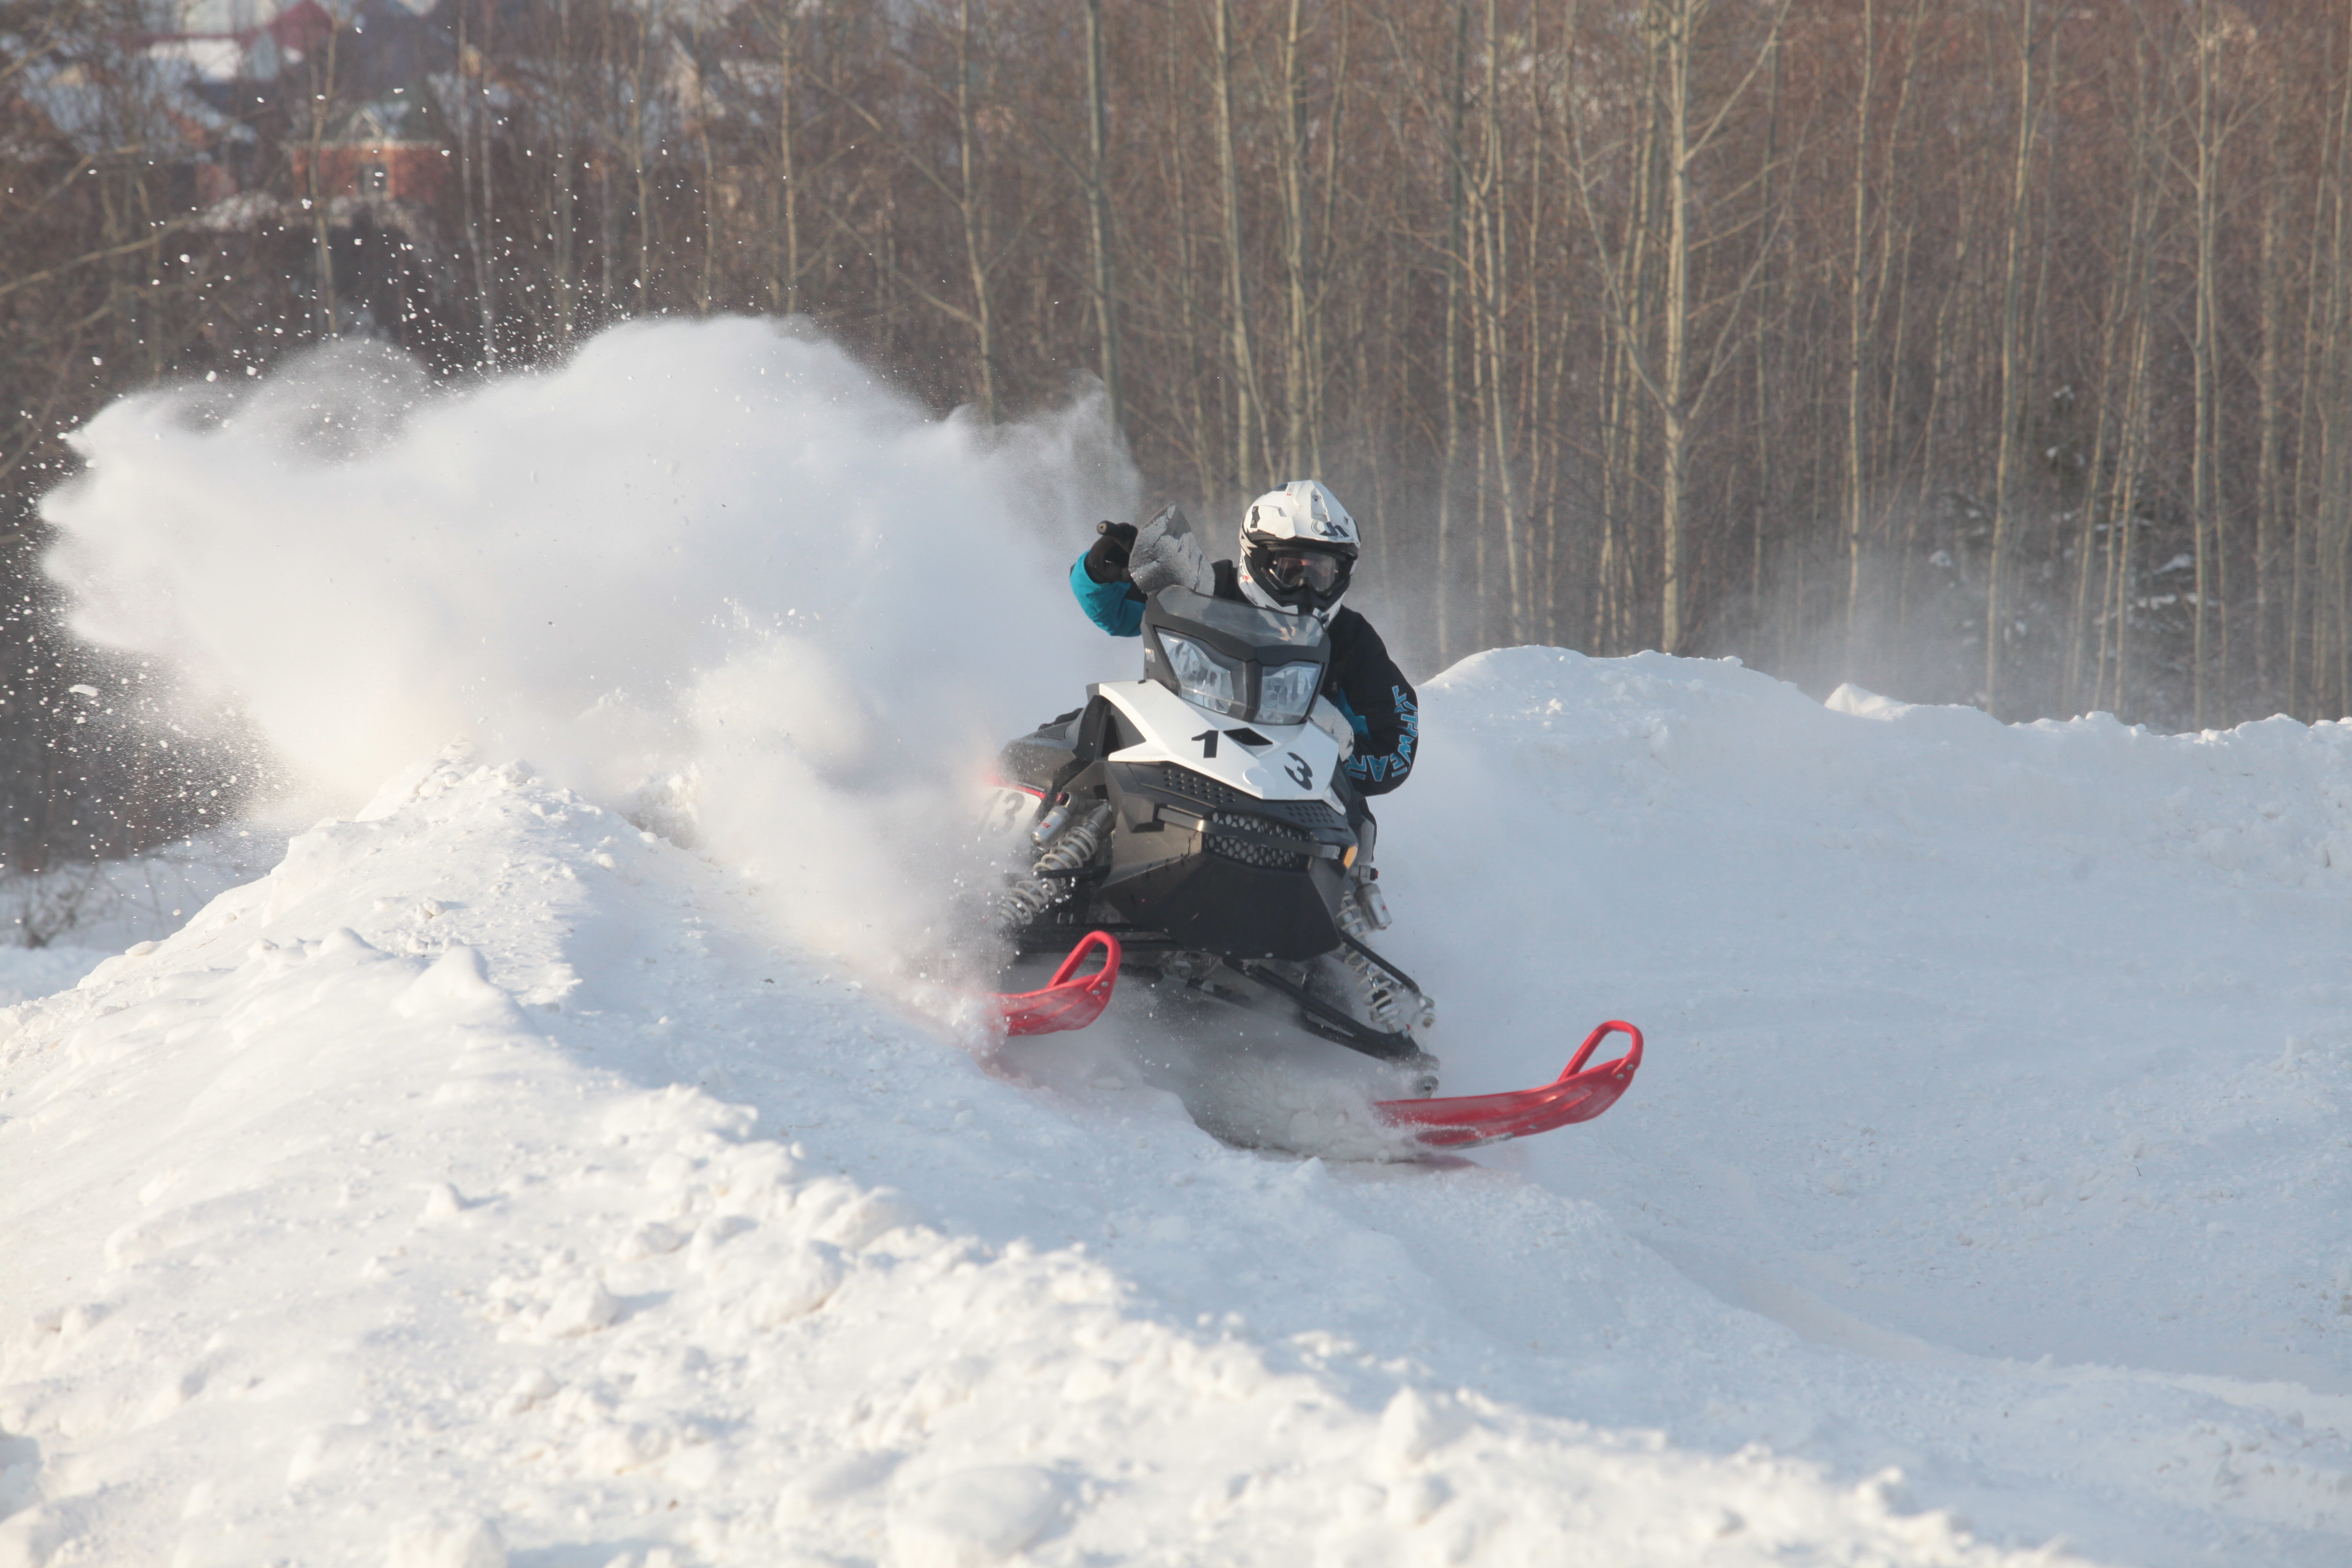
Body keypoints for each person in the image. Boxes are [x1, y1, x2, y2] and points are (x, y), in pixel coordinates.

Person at [1068, 480, 1419, 799]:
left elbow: (1396, 745)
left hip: (1293, 784)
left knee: (1357, 827)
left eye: (1321, 573)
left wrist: (1336, 750)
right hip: (1179, 743)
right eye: (1291, 569)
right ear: (1256, 558)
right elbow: (1118, 615)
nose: (1306, 587)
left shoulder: (1353, 640)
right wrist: (1101, 573)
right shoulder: (1206, 589)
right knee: (1082, 735)